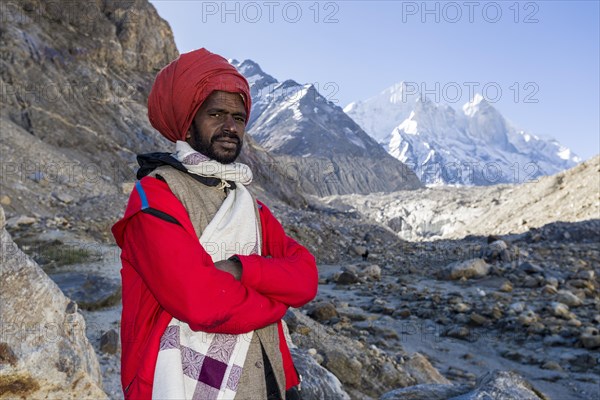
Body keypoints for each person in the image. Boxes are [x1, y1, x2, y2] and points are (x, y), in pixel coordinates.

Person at [111, 48, 318, 400]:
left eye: (238, 117)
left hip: (268, 376)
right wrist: (275, 305)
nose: (230, 127)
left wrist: (240, 269)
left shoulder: (246, 202)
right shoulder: (155, 196)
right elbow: (200, 302)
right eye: (216, 114)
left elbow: (306, 278)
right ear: (188, 122)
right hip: (178, 380)